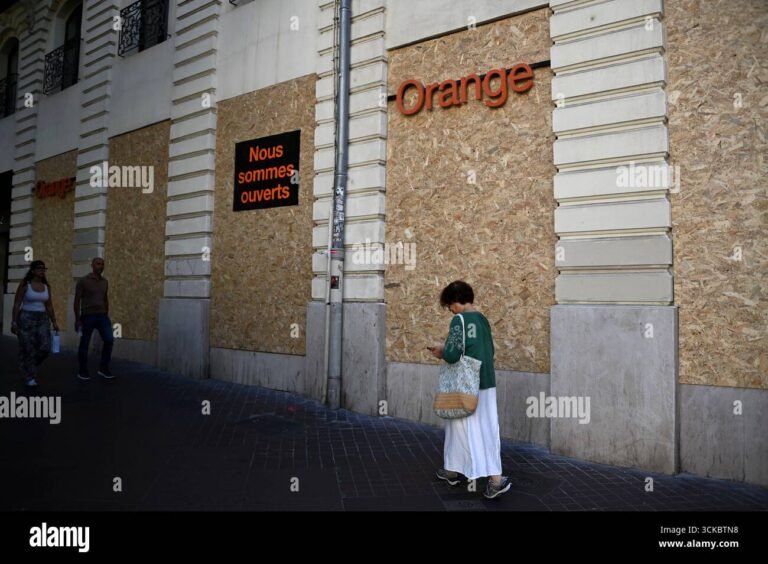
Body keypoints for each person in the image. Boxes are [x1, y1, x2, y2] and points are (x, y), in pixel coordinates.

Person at [429, 280, 511, 499]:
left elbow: (454, 354)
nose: (450, 310)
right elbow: (488, 350)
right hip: (486, 382)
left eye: (449, 305)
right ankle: (454, 470)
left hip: (465, 386)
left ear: (456, 302)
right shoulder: (483, 320)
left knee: (459, 425)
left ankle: (494, 479)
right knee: (485, 429)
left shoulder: (459, 320)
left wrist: (441, 351)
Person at [10, 260, 60, 387]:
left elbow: (49, 305)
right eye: (39, 268)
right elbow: (17, 304)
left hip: (42, 318)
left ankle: (27, 364)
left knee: (45, 347)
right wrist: (14, 322)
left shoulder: (46, 286)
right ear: (32, 270)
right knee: (28, 347)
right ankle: (30, 376)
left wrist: (54, 321)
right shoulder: (25, 284)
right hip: (26, 318)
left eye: (44, 268)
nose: (42, 270)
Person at [73, 257, 114, 380]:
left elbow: (105, 298)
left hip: (102, 316)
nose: (100, 266)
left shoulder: (104, 282)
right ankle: (82, 370)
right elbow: (77, 300)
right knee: (85, 343)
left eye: (102, 264)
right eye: (98, 264)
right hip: (87, 315)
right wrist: (77, 319)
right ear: (92, 265)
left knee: (109, 339)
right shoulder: (83, 281)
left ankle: (103, 368)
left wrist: (106, 312)